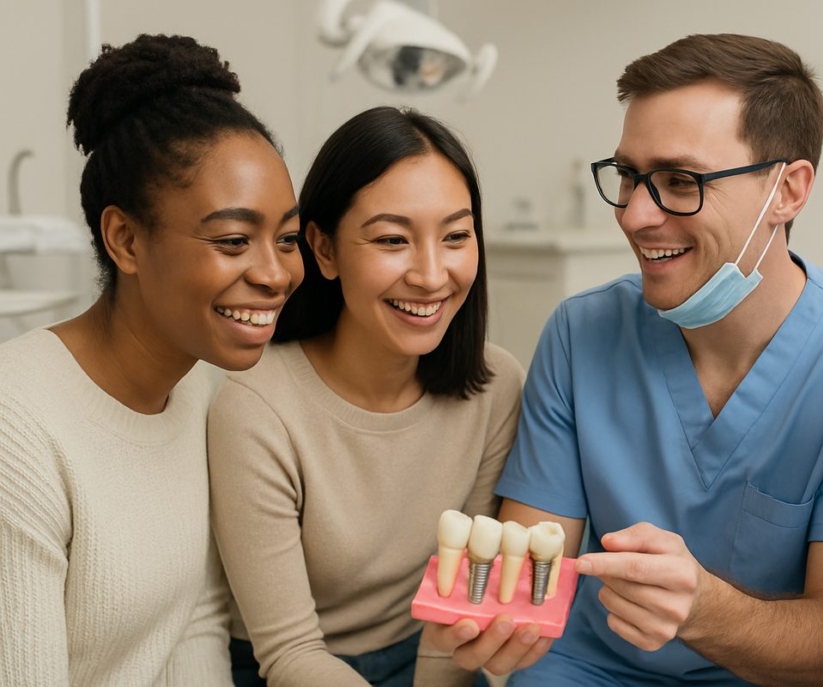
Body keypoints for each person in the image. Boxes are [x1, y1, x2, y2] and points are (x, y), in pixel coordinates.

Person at [427, 33, 823, 686]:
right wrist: (493, 620)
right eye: (631, 177)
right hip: (585, 670)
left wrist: (707, 610)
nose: (636, 215)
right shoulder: (582, 333)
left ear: (789, 190)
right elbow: (531, 577)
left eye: (679, 181)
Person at [0, 34, 303, 687]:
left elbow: (190, 623)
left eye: (286, 238)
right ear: (125, 239)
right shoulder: (16, 423)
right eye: (232, 239)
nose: (276, 273)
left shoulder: (198, 389)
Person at [206, 105, 524, 687]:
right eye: (392, 240)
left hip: (430, 657)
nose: (431, 275)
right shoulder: (256, 407)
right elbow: (289, 653)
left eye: (456, 236)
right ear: (323, 250)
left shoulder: (496, 385)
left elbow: (457, 610)